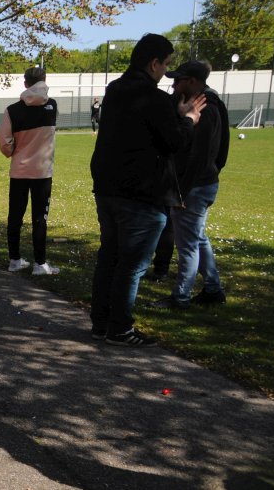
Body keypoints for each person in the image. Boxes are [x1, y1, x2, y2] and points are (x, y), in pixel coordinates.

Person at [89, 33, 206, 347]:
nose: (166, 72)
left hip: (108, 186)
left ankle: (101, 323)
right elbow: (174, 142)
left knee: (110, 257)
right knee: (132, 264)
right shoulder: (151, 97)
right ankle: (120, 328)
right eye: (166, 64)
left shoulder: (114, 90)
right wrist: (189, 120)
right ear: (153, 63)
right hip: (139, 191)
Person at [153, 60, 229, 308]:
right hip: (201, 183)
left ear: (193, 82)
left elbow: (199, 155)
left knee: (187, 245)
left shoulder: (206, 111)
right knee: (198, 238)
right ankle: (213, 289)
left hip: (194, 186)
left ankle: (181, 296)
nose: (174, 85)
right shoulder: (207, 106)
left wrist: (182, 192)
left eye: (179, 81)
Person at [0, 67, 60, 276]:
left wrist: (14, 151)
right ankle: (40, 264)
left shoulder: (12, 110)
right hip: (42, 172)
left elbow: (4, 140)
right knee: (40, 218)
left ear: (25, 83)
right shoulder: (52, 105)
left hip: (19, 171)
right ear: (44, 80)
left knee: (15, 216)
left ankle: (14, 259)